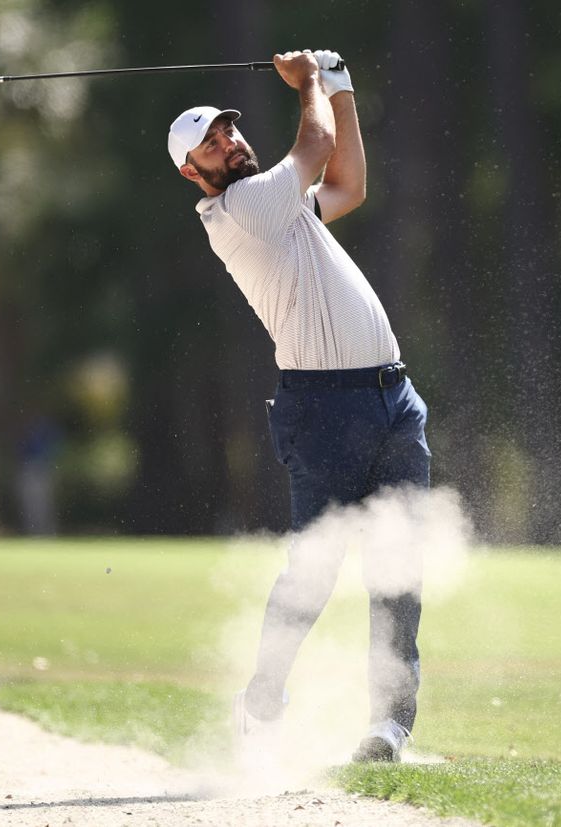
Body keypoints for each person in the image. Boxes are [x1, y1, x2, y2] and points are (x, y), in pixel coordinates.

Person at [168, 49, 431, 763]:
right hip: (324, 410)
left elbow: (348, 185)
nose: (229, 143)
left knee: (398, 563)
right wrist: (310, 81)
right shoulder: (241, 208)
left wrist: (341, 88)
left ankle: (389, 725)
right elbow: (314, 149)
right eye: (211, 145)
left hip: (393, 398)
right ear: (192, 172)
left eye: (229, 130)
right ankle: (263, 695)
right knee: (316, 567)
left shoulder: (281, 211)